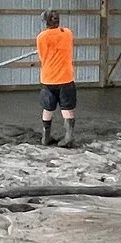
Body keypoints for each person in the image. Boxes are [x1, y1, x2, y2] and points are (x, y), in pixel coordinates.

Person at [36, 10, 77, 146]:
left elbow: (42, 56)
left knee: (48, 108)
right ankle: (68, 138)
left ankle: (45, 137)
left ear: (45, 22)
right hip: (65, 77)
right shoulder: (68, 33)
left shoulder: (41, 37)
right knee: (67, 108)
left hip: (48, 79)